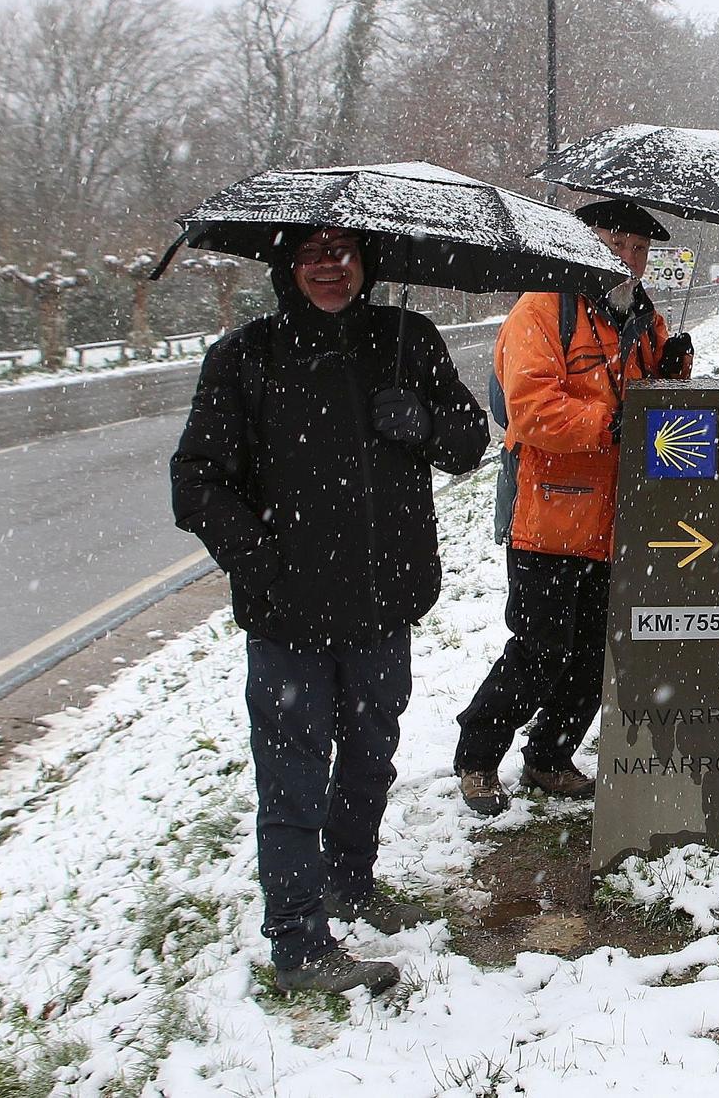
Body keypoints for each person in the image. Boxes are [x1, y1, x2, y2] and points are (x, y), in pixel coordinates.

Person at [171, 226, 488, 994]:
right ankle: (299, 940)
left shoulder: (409, 339)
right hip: (289, 616)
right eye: (310, 252)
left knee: (372, 757)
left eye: (343, 251)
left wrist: (421, 421)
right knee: (292, 776)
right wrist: (263, 563)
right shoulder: (245, 358)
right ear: (287, 266)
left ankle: (351, 879)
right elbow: (196, 483)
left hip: (383, 604)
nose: (328, 265)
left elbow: (470, 440)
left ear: (367, 262)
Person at [452, 200, 689, 815]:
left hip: (619, 520)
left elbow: (659, 403)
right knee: (538, 649)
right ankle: (477, 753)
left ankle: (550, 758)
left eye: (639, 249)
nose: (629, 259)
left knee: (591, 654)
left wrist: (673, 367)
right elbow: (529, 409)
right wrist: (614, 422)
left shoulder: (642, 318)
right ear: (585, 241)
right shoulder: (542, 308)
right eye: (619, 244)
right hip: (551, 519)